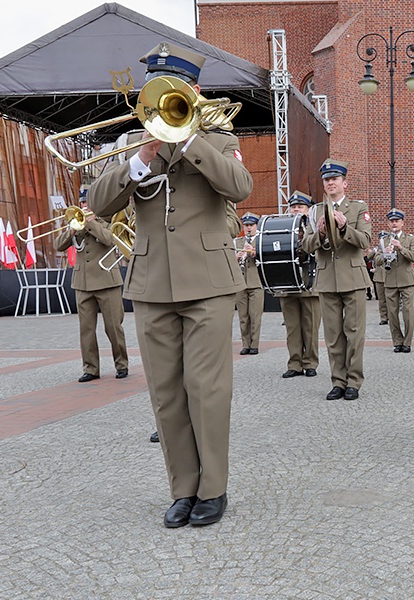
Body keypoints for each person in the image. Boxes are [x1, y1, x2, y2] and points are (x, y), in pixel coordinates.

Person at [90, 41, 253, 527]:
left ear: (194, 91)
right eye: (154, 89)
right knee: (166, 392)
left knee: (206, 387)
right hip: (151, 283)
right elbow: (99, 202)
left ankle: (213, 488)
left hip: (208, 281)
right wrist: (141, 159)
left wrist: (188, 141)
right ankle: (182, 488)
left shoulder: (219, 139)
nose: (161, 98)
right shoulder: (131, 147)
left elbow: (240, 186)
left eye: (173, 90)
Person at [301, 159, 372, 401]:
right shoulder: (315, 211)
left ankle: (354, 381)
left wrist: (344, 229)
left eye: (335, 179)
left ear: (345, 182)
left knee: (354, 333)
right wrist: (320, 233)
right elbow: (306, 245)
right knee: (332, 335)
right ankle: (337, 381)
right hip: (327, 278)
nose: (331, 183)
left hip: (353, 277)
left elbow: (365, 241)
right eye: (327, 180)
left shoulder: (358, 208)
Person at [54, 191, 129, 383]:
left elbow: (109, 239)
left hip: (106, 280)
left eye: (87, 202)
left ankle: (121, 364)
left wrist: (91, 222)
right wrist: (71, 229)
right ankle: (90, 368)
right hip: (82, 282)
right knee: (86, 329)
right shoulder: (75, 223)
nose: (84, 206)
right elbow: (58, 245)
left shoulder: (109, 220)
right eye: (82, 202)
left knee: (113, 327)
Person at [278, 191, 321, 378]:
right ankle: (294, 363)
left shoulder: (315, 226)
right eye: (293, 207)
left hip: (309, 281)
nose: (296, 210)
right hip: (288, 282)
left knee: (310, 326)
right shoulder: (281, 228)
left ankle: (310, 362)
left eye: (300, 207)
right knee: (292, 327)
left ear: (308, 209)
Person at [374, 209, 414, 352]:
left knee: (407, 312)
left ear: (402, 223)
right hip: (390, 280)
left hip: (406, 279)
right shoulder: (384, 240)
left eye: (397, 221)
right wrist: (385, 254)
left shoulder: (409, 238)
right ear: (388, 223)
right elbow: (377, 259)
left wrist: (400, 247)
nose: (394, 224)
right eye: (391, 221)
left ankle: (407, 342)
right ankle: (397, 342)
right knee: (392, 313)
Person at [235, 212, 264, 355]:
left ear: (256, 226)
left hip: (256, 282)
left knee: (255, 315)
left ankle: (255, 344)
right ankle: (245, 344)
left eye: (251, 225)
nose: (248, 228)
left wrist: (255, 253)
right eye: (246, 225)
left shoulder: (261, 240)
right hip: (241, 282)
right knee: (243, 316)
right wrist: (237, 257)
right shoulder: (238, 242)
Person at [367, 234, 389, 325]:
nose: (382, 239)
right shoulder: (378, 249)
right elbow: (369, 257)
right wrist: (374, 251)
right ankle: (384, 317)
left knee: (390, 299)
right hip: (379, 276)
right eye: (380, 238)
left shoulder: (390, 247)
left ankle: (392, 317)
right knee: (381, 300)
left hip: (389, 276)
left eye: (384, 238)